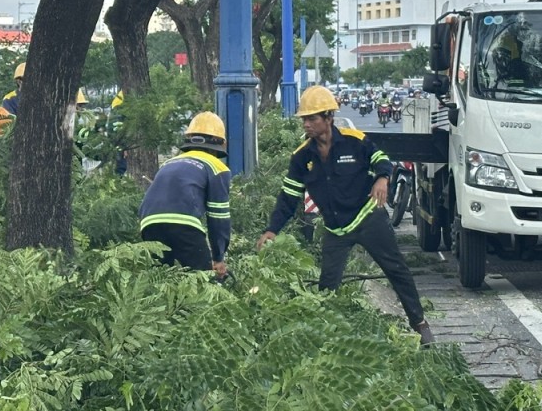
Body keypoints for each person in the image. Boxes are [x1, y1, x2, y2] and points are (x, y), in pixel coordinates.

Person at [256, 86, 435, 345]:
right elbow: (288, 197)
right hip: (336, 230)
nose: (306, 124)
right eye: (304, 119)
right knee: (328, 285)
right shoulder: (301, 158)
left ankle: (419, 324)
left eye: (312, 118)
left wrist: (383, 179)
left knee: (396, 270)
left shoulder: (354, 141)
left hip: (368, 219)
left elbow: (381, 159)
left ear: (328, 118)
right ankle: (329, 339)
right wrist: (272, 229)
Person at [139, 111, 231, 276]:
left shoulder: (169, 162)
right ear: (219, 144)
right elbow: (218, 217)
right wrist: (218, 257)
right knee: (201, 282)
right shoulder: (217, 167)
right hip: (183, 224)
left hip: (148, 223)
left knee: (161, 280)